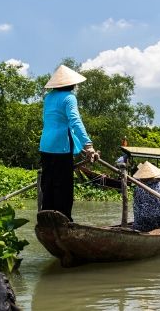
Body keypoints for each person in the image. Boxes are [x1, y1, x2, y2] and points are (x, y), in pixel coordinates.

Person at [38, 65, 96, 221]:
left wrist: (79, 146)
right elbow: (75, 121)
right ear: (71, 84)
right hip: (60, 147)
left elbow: (52, 122)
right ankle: (64, 219)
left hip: (45, 145)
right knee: (63, 186)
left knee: (48, 184)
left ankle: (47, 217)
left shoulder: (48, 97)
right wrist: (88, 145)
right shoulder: (69, 97)